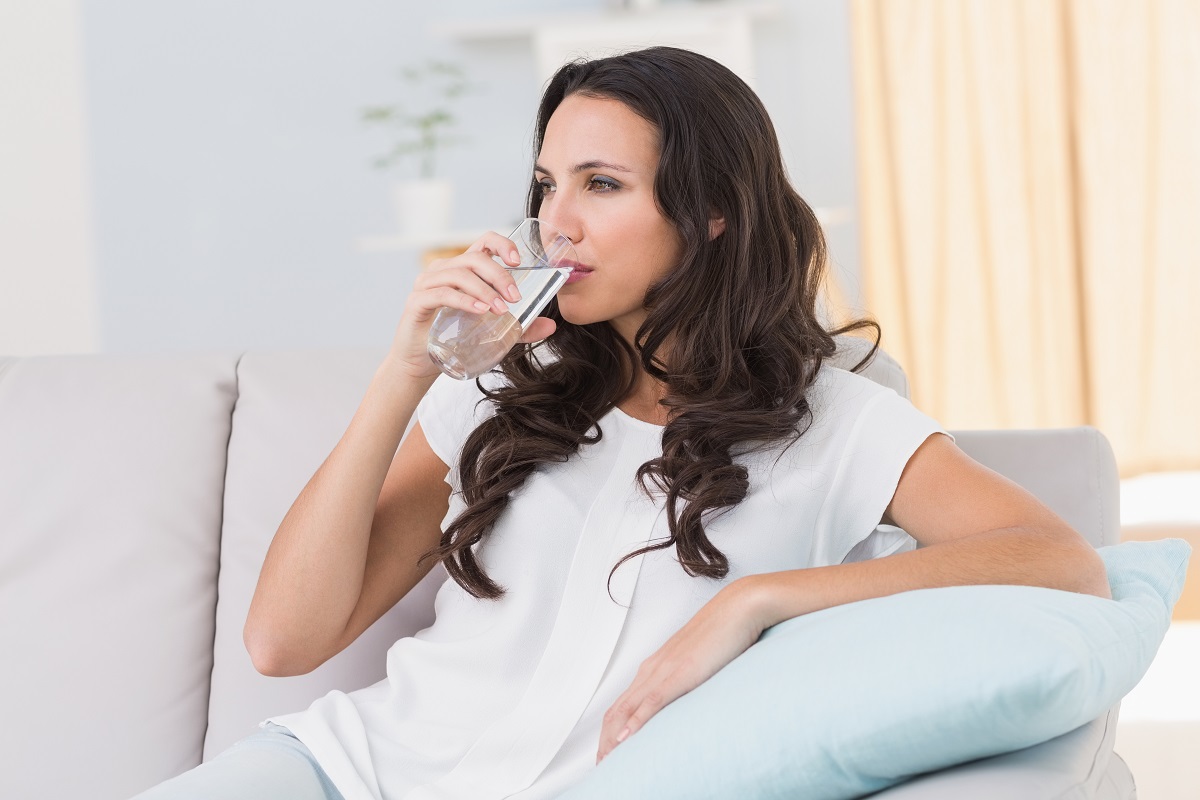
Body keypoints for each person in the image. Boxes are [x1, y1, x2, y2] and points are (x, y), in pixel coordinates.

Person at [132, 46, 1110, 800]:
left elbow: (1060, 555)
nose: (559, 220)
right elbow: (282, 640)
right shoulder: (496, 385)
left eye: (601, 184)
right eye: (548, 184)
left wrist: (759, 598)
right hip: (355, 771)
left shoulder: (835, 416)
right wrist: (402, 374)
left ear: (713, 209)